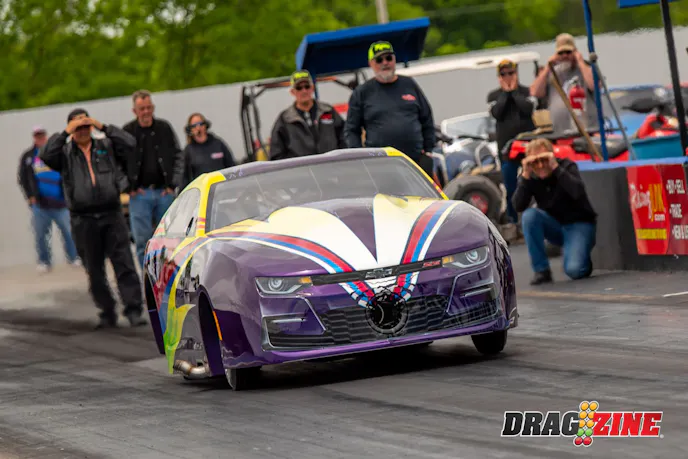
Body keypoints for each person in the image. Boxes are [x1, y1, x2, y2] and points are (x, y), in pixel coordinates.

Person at [40, 108, 146, 329]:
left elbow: (130, 144)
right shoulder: (65, 154)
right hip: (83, 218)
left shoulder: (105, 146)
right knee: (94, 269)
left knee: (124, 263)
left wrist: (102, 126)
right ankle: (107, 311)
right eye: (77, 126)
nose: (82, 130)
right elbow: (45, 155)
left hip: (111, 213)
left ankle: (133, 309)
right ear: (71, 128)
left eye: (85, 125)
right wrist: (65, 133)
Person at [512, 138, 597, 285]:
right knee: (529, 216)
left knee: (575, 270)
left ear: (552, 157)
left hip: (579, 224)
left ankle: (581, 258)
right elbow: (518, 206)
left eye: (544, 160)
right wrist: (525, 175)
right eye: (535, 162)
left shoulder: (566, 166)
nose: (540, 165)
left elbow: (577, 192)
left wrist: (555, 168)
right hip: (555, 226)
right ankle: (541, 270)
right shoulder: (530, 176)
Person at [344, 41, 436, 176]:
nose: (385, 63)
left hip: (415, 162)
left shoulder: (409, 84)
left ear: (394, 59)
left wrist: (428, 150)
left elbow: (427, 118)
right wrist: (361, 159)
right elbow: (351, 130)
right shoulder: (362, 92)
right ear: (371, 63)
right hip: (380, 166)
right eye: (379, 60)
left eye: (388, 58)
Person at [122, 89, 183, 268]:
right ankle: (147, 278)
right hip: (139, 196)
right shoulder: (127, 132)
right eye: (142, 109)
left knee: (171, 240)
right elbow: (116, 162)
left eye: (149, 107)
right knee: (142, 242)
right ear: (134, 111)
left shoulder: (164, 128)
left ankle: (171, 276)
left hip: (164, 193)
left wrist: (173, 184)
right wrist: (127, 187)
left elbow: (178, 155)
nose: (146, 111)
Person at [18, 125, 80, 272]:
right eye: (37, 136)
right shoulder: (28, 156)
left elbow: (68, 172)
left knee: (69, 231)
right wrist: (30, 196)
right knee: (40, 235)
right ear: (34, 138)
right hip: (40, 204)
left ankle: (74, 257)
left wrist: (69, 194)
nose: (40, 138)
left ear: (46, 136)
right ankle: (44, 261)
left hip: (61, 202)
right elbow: (23, 177)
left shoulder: (57, 152)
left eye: (42, 135)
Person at [487, 59, 537, 227]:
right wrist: (505, 93)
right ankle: (513, 219)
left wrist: (514, 92)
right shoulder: (494, 96)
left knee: (533, 180)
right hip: (507, 148)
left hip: (527, 145)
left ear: (516, 73)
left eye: (511, 73)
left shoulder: (526, 91)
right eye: (504, 74)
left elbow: (527, 109)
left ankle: (532, 214)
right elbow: (497, 112)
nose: (508, 76)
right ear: (499, 77)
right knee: (510, 185)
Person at [269, 70, 346, 161]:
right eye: (299, 88)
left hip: (331, 166)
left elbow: (344, 138)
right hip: (302, 169)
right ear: (292, 92)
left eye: (307, 86)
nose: (304, 91)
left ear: (312, 88)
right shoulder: (285, 119)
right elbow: (276, 154)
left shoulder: (328, 111)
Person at [529, 33, 598, 135]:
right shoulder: (552, 73)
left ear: (575, 52)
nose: (565, 56)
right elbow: (535, 92)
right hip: (560, 133)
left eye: (568, 52)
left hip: (587, 132)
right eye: (561, 53)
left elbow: (594, 85)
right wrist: (548, 66)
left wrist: (580, 61)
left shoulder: (586, 69)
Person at [177, 112, 236, 190]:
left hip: (223, 188)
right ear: (190, 129)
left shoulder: (218, 144)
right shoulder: (189, 150)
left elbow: (231, 166)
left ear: (205, 125)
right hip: (203, 191)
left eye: (201, 124)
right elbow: (184, 177)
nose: (198, 128)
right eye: (194, 125)